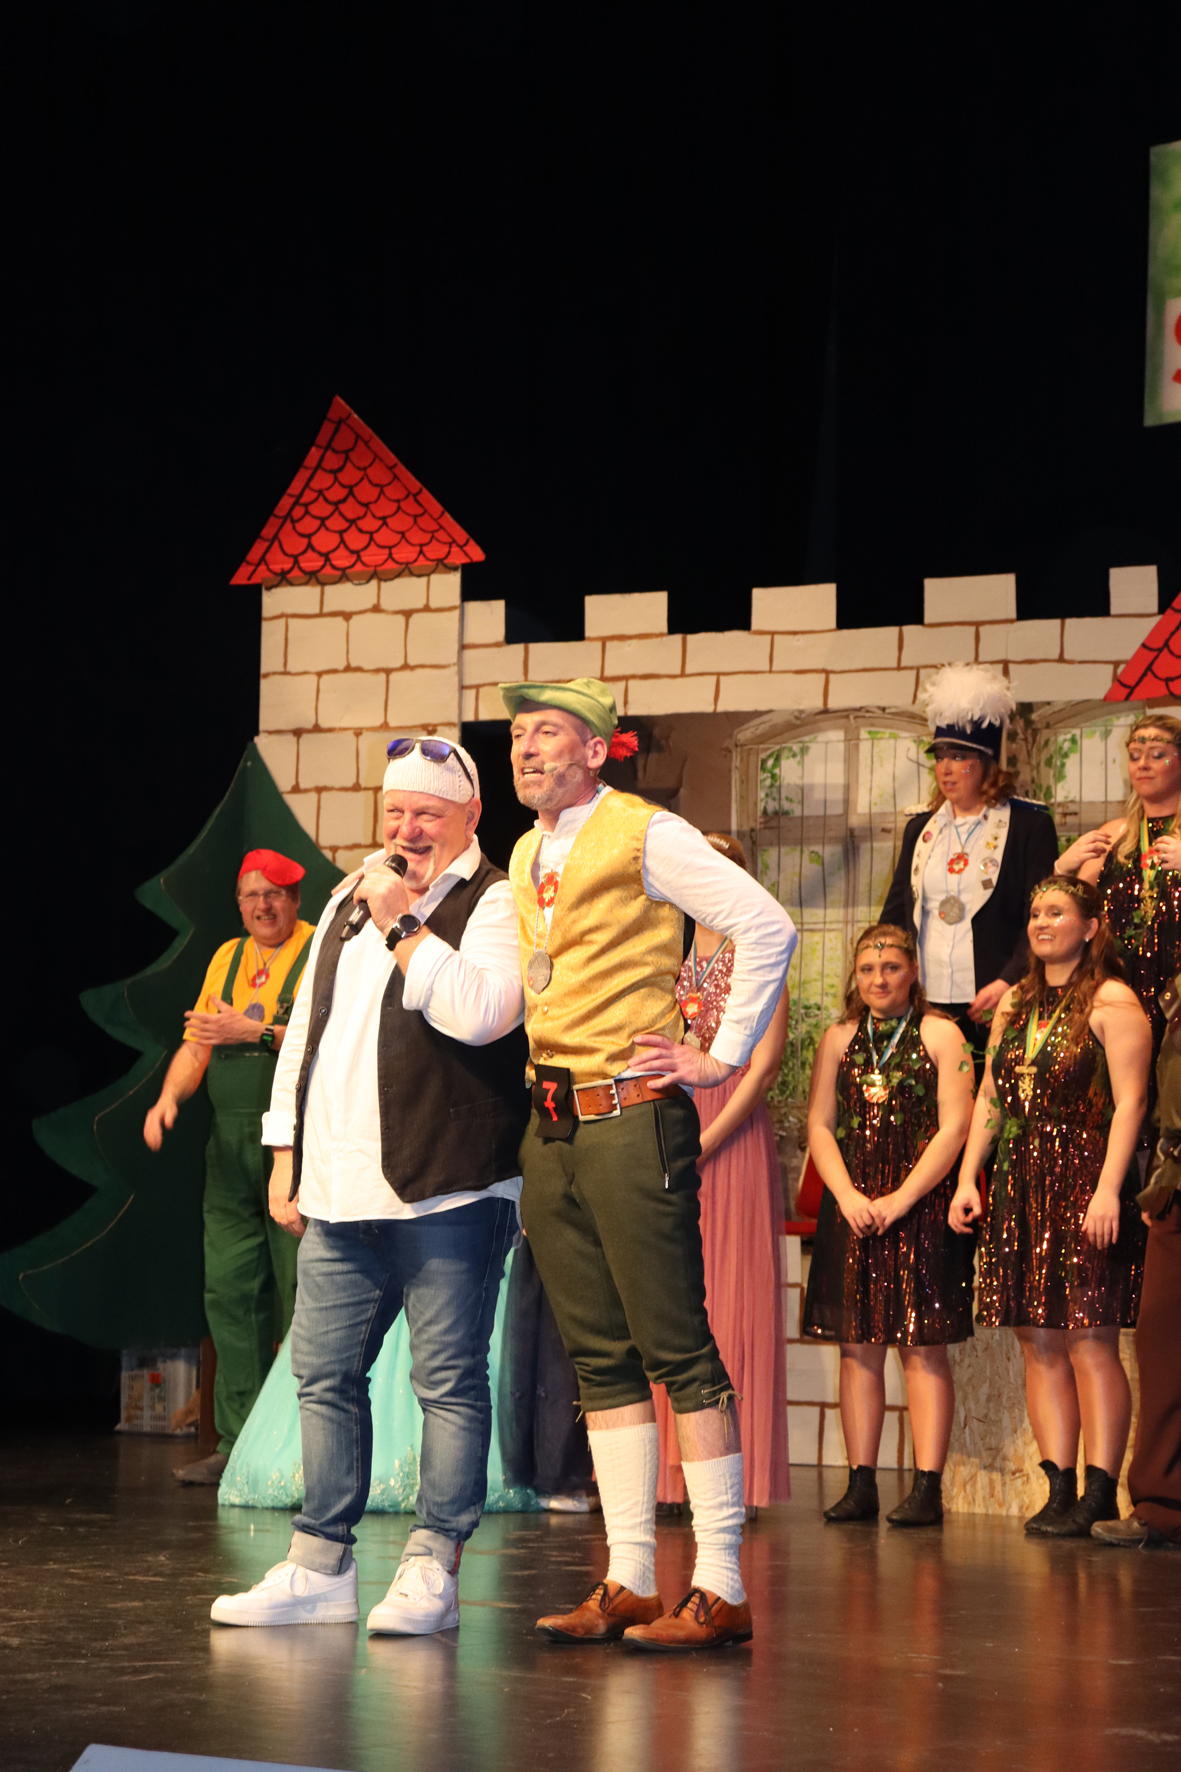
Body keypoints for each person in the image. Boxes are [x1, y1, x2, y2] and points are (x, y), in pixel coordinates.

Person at [500, 676, 796, 1652]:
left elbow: (766, 925)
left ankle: (720, 1583)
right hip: (552, 1124)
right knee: (598, 1355)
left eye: (547, 732)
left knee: (676, 1346)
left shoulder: (645, 833)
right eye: (517, 733)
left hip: (631, 1118)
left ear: (595, 749)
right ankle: (628, 1575)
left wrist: (720, 1054)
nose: (525, 747)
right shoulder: (523, 850)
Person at [208, 737, 530, 1632]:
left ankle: (433, 1563)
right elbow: (307, 1032)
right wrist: (284, 1152)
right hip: (340, 1188)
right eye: (394, 811)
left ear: (469, 816)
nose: (406, 829)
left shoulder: (494, 899)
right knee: (322, 1374)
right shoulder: (350, 894)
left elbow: (481, 1014)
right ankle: (320, 1564)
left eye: (427, 813)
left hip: (449, 1189)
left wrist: (401, 923)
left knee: (447, 1381)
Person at [949, 878, 1151, 1537]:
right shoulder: (1015, 1003)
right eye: (1035, 912)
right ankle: (1058, 1486)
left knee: (1090, 1338)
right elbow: (990, 1096)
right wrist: (968, 1177)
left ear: (1089, 927)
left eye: (1056, 912)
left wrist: (1108, 1189)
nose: (1041, 921)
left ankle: (1100, 1491)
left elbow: (1131, 1103)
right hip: (1021, 1180)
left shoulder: (1113, 1000)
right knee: (1037, 1339)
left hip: (1085, 1175)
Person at [143, 848, 316, 1486]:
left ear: (295, 899)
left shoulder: (319, 948)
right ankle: (239, 1446)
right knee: (230, 1290)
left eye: (274, 894)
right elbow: (198, 1044)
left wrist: (256, 1034)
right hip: (229, 1148)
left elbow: (323, 1038)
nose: (262, 906)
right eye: (251, 896)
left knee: (301, 1291)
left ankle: (303, 1448)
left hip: (295, 1146)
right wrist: (168, 1099)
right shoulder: (227, 957)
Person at [802, 924, 975, 1527]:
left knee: (921, 1347)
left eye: (892, 968)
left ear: (914, 972)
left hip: (918, 1204)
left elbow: (956, 1125)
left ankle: (927, 1487)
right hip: (853, 1208)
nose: (879, 979)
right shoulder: (837, 1038)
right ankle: (861, 1483)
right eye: (868, 969)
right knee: (857, 1348)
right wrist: (847, 1195)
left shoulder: (941, 1033)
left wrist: (901, 1199)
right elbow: (820, 1125)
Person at [652, 831, 790, 1514]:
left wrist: (703, 1142)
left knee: (729, 1292)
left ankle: (739, 1475)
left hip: (728, 1128)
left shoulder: (757, 950)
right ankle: (674, 1475)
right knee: (672, 1291)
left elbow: (762, 1067)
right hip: (676, 1116)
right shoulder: (671, 951)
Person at [881, 663, 1059, 1078]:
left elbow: (1039, 917)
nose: (945, 768)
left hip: (995, 997)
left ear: (986, 762)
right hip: (926, 1000)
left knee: (991, 1102)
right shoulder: (919, 828)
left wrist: (1009, 982)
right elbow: (895, 916)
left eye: (959, 757)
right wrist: (886, 973)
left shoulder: (1028, 825)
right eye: (941, 757)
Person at [1092, 972, 1181, 1550]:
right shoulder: (1176, 990)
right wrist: (1160, 1182)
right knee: (1160, 1342)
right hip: (1175, 1186)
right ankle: (1160, 1506)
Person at [1053, 715, 1180, 1084]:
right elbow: (1069, 915)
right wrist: (1062, 867)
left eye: (1157, 754)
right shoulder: (1114, 836)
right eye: (1135, 755)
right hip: (1120, 986)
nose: (1143, 764)